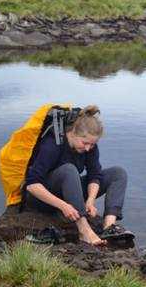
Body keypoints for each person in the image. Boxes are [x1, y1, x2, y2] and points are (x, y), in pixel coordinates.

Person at [24, 105, 130, 245]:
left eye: (92, 145)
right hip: (43, 198)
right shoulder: (52, 144)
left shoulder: (90, 146)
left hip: (69, 191)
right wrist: (63, 206)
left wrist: (90, 200)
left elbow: (94, 175)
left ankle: (109, 227)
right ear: (73, 132)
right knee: (69, 170)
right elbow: (32, 185)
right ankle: (84, 230)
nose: (88, 148)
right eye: (85, 143)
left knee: (118, 173)